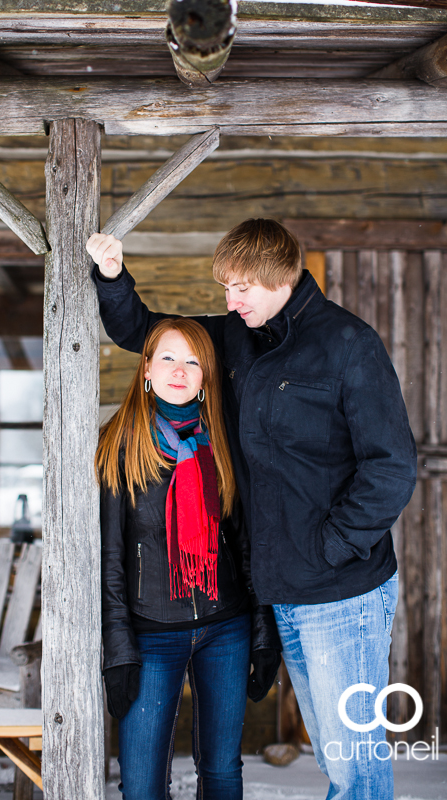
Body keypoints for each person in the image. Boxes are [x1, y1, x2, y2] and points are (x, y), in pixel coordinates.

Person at [88, 219, 417, 800]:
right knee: (334, 755)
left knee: (353, 767)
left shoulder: (347, 344)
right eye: (226, 288)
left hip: (341, 592)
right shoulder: (238, 335)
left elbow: (390, 467)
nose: (229, 299)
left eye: (241, 286)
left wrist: (330, 547)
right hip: (283, 591)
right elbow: (148, 331)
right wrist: (112, 276)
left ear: (279, 278)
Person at [96, 315, 281, 800]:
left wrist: (263, 632)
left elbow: (247, 542)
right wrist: (118, 652)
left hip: (226, 626)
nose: (180, 370)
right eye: (169, 358)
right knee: (141, 784)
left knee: (221, 772)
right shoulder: (121, 444)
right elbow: (110, 557)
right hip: (150, 632)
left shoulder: (224, 440)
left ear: (206, 378)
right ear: (147, 371)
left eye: (194, 361)